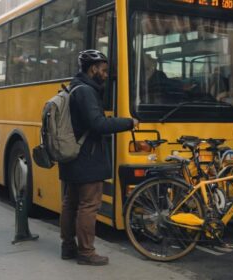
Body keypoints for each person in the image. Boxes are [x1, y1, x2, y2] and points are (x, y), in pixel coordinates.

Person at [59, 49, 139, 266]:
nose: (106, 74)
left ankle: (68, 247)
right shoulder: (86, 91)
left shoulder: (76, 87)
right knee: (88, 205)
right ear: (92, 69)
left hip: (75, 155)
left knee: (71, 203)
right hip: (87, 157)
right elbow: (98, 124)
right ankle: (86, 252)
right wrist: (127, 122)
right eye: (103, 70)